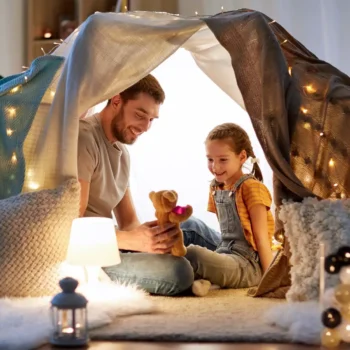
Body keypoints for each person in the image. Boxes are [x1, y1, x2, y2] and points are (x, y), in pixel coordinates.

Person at [77, 74, 221, 295]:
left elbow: (128, 222)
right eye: (140, 115)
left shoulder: (122, 153)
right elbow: (71, 228)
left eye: (152, 119)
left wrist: (151, 236)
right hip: (93, 255)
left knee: (190, 226)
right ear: (116, 101)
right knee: (178, 272)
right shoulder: (84, 138)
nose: (145, 127)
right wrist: (131, 240)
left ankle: (244, 261)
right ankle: (216, 267)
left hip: (116, 243)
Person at [185, 122, 275, 297]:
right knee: (187, 228)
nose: (215, 167)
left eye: (223, 160)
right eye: (210, 159)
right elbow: (226, 235)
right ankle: (207, 280)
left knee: (194, 254)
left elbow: (262, 239)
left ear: (242, 157)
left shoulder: (252, 188)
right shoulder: (216, 187)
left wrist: (269, 281)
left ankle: (205, 277)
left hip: (249, 264)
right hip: (225, 251)